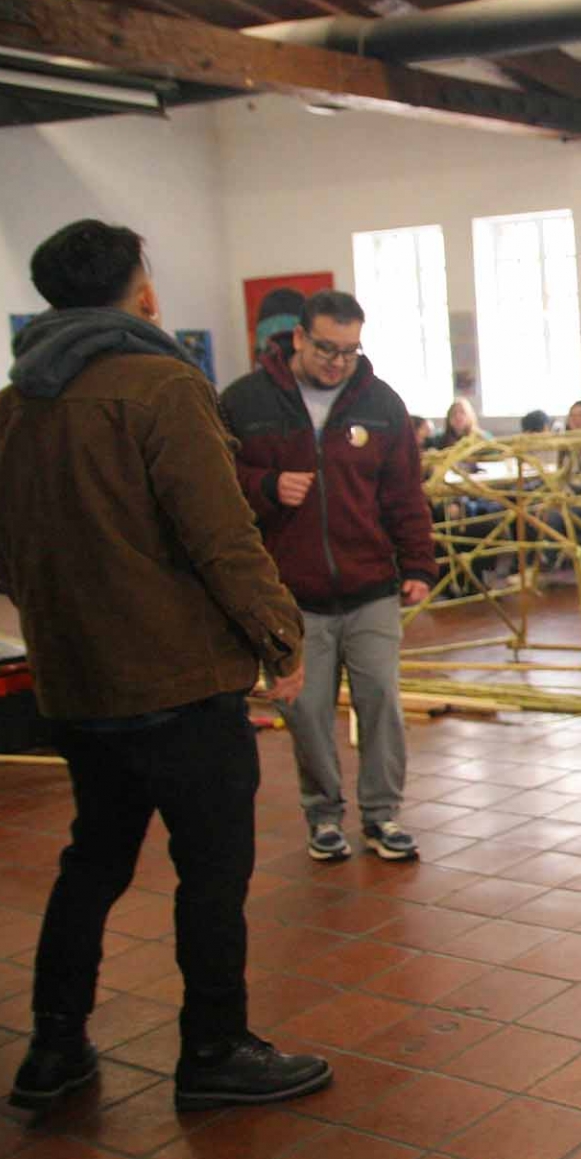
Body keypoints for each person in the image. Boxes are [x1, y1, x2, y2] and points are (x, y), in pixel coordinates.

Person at [0, 219, 331, 1112]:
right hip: (179, 684)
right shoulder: (161, 388)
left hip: (74, 685)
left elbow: (4, 547)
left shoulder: (15, 403)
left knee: (92, 861)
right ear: (139, 291)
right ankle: (214, 1049)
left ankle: (53, 1050)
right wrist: (280, 639)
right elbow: (221, 537)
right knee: (212, 874)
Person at [220, 290, 436, 863]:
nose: (337, 361)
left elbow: (404, 494)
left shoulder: (381, 404)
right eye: (325, 348)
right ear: (297, 337)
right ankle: (323, 817)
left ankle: (383, 815)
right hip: (291, 596)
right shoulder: (245, 402)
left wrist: (418, 562)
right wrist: (267, 486)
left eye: (349, 350)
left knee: (381, 701)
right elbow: (212, 480)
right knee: (307, 711)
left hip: (370, 587)